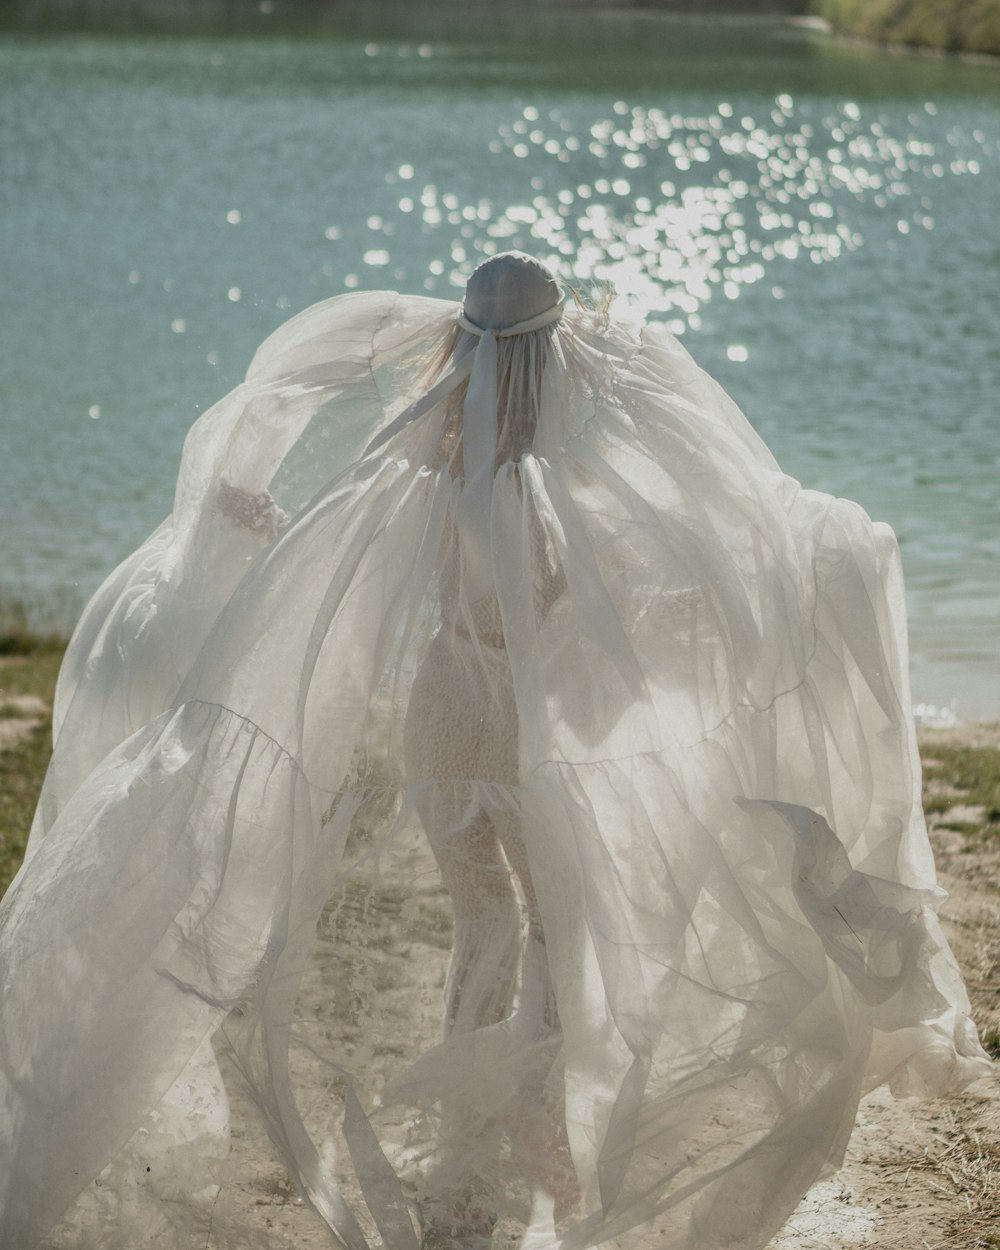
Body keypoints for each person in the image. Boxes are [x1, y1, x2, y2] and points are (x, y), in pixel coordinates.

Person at [0, 252, 989, 1250]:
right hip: (517, 725)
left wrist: (257, 521)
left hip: (442, 713)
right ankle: (531, 1143)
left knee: (483, 926)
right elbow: (596, 604)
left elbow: (337, 560)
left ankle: (464, 1179)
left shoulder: (426, 456)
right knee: (557, 940)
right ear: (554, 358)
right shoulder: (558, 479)